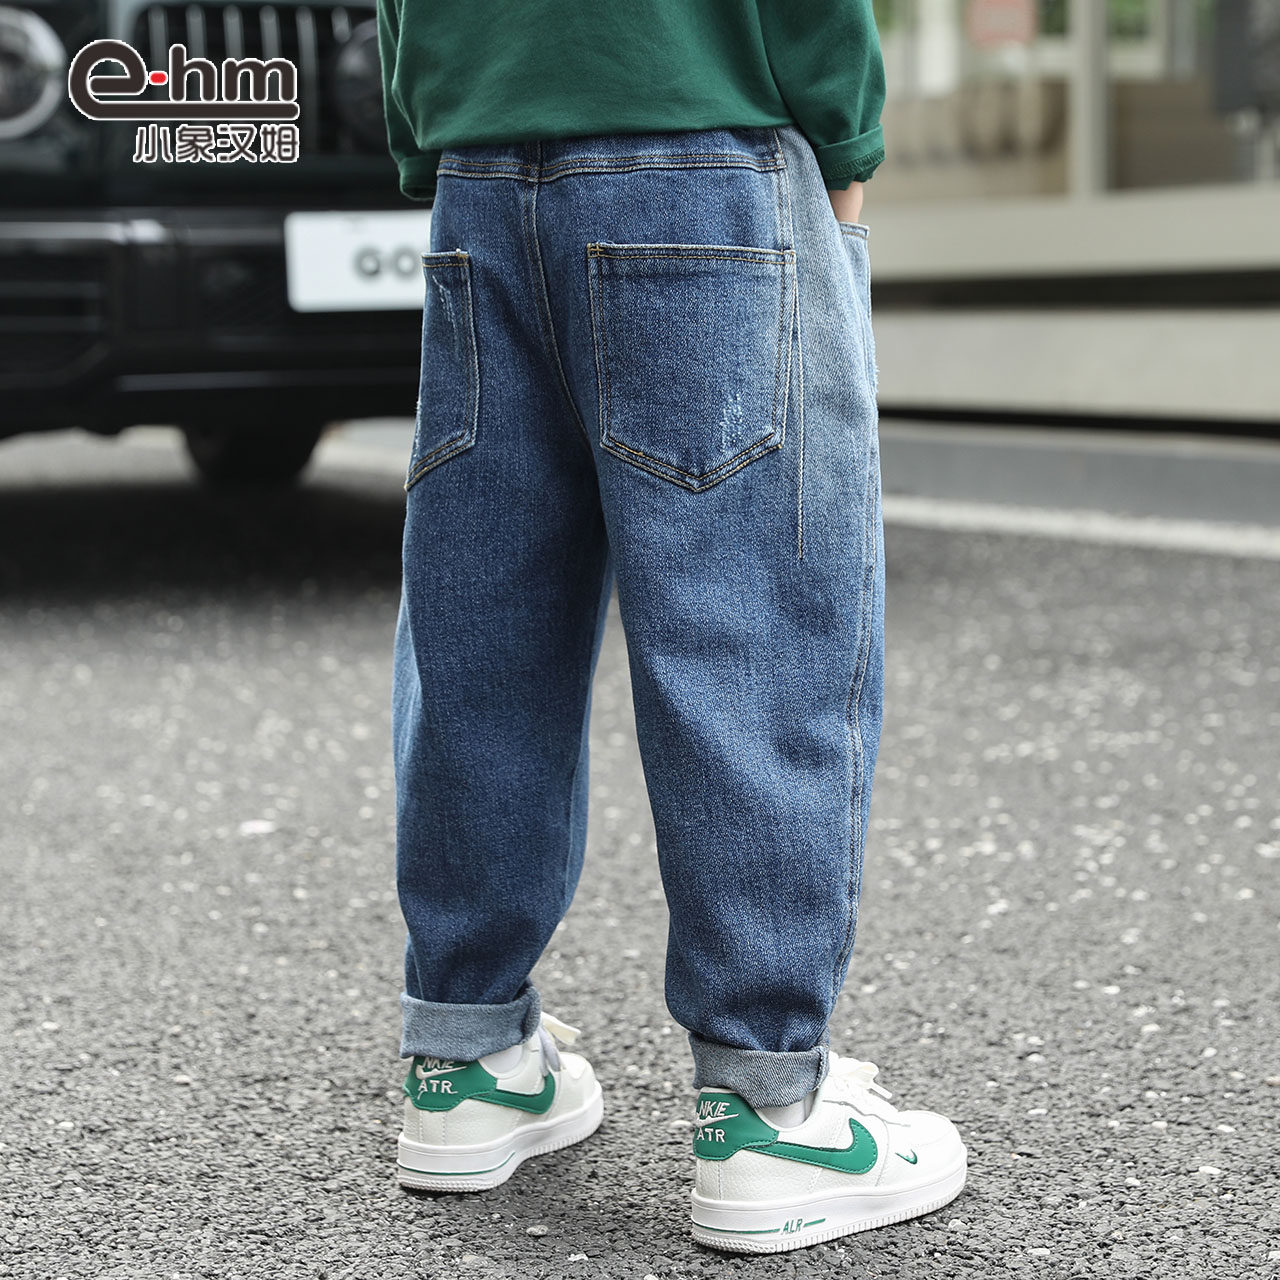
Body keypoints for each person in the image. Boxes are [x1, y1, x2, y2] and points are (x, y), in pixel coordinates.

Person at [376, 0, 966, 1254]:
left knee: (481, 625)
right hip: (703, 143)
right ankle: (765, 1110)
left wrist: (434, 121)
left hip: (481, 162)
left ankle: (465, 1058)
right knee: (747, 626)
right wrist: (842, 140)